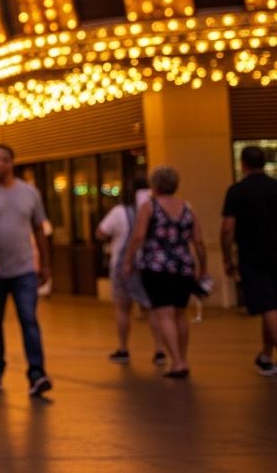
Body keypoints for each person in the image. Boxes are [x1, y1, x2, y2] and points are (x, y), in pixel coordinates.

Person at [0, 144, 53, 396]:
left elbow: (39, 228)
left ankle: (37, 373)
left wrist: (46, 264)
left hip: (24, 269)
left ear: (10, 163)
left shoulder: (29, 193)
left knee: (28, 318)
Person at [123, 165, 207, 378]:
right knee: (180, 314)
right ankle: (183, 358)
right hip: (183, 267)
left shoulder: (149, 207)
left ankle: (177, 362)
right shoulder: (188, 208)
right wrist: (202, 266)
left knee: (164, 313)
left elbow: (138, 236)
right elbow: (198, 240)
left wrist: (128, 260)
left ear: (155, 185)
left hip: (156, 267)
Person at [221, 145, 277, 376]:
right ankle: (265, 355)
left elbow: (227, 229)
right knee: (270, 305)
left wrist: (227, 257)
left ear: (243, 164)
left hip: (253, 256)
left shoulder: (237, 191)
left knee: (269, 306)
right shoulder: (275, 187)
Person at [95, 178, 164, 365]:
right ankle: (159, 350)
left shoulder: (119, 212)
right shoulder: (156, 210)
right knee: (152, 309)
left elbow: (100, 232)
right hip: (149, 265)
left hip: (122, 265)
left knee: (122, 309)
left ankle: (124, 348)